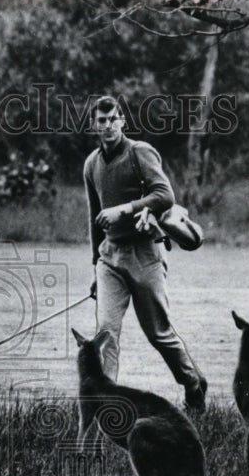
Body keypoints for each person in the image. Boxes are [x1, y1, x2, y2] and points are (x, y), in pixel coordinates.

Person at [83, 95, 207, 412]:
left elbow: (165, 195)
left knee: (159, 334)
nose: (108, 126)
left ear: (123, 121)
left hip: (145, 254)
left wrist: (124, 209)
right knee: (105, 333)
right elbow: (95, 218)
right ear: (93, 124)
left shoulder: (140, 153)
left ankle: (193, 383)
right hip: (109, 257)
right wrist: (96, 267)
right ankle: (108, 403)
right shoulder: (91, 164)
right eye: (101, 120)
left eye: (113, 119)